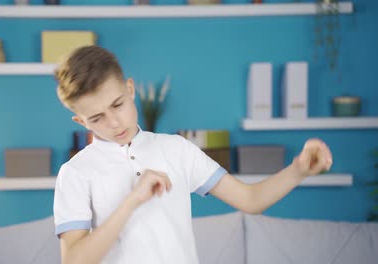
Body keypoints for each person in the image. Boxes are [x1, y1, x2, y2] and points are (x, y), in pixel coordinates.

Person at [53, 45, 333, 264]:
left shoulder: (176, 149)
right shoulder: (76, 173)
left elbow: (251, 200)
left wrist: (299, 171)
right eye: (98, 117)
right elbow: (75, 261)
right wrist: (131, 201)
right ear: (82, 122)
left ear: (130, 89)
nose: (114, 123)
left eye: (117, 104)